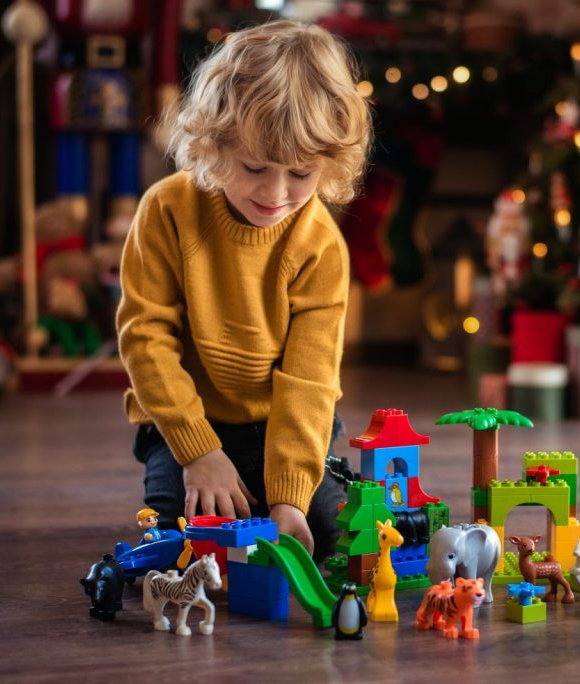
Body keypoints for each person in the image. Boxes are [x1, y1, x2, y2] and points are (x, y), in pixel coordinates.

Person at [117, 20, 371, 561]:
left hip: (282, 418)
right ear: (213, 142)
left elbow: (309, 380)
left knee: (326, 533)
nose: (276, 193)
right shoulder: (166, 211)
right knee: (173, 539)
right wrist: (198, 451)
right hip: (187, 419)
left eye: (300, 174)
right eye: (255, 166)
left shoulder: (321, 246)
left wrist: (290, 499)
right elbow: (147, 339)